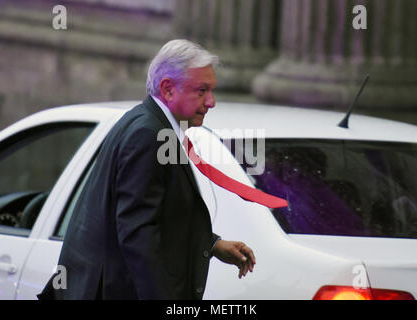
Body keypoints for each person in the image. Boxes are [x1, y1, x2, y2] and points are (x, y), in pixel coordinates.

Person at [38, 39, 255, 300]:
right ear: (168, 89)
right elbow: (138, 233)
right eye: (201, 91)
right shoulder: (147, 133)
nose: (211, 102)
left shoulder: (151, 124)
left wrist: (212, 244)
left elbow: (161, 214)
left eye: (211, 91)